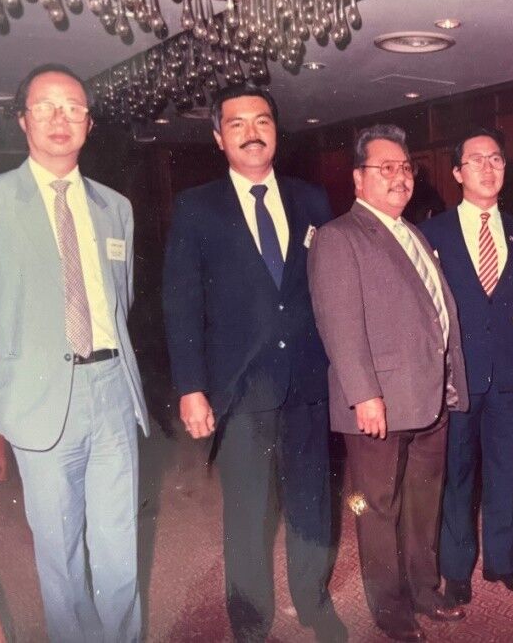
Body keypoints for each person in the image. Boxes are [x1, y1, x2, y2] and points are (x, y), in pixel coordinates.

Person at [0, 63, 149, 642]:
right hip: (42, 396)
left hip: (114, 390)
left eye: (73, 107)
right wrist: (20, 368)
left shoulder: (114, 207)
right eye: (46, 107)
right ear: (23, 120)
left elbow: (118, 302)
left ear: (89, 124)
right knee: (61, 551)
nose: (60, 119)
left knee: (120, 543)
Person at [162, 83, 344, 642]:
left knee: (313, 503)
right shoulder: (197, 207)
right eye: (236, 124)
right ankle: (250, 621)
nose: (251, 132)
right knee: (247, 514)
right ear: (219, 138)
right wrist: (191, 387)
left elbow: (329, 291)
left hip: (309, 383)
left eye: (262, 121)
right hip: (240, 390)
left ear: (276, 132)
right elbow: (181, 301)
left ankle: (313, 603)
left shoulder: (312, 200)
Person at [308, 124, 469, 642]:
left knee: (424, 502)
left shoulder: (412, 230)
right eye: (386, 168)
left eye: (405, 167)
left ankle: (424, 589)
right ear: (358, 179)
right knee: (377, 508)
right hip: (377, 403)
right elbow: (340, 325)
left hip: (429, 399)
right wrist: (363, 395)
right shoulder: (339, 237)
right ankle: (390, 610)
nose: (399, 177)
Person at [420, 127, 513, 605]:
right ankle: (456, 570)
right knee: (458, 472)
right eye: (476, 160)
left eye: (496, 159)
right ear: (456, 172)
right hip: (457, 377)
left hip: (508, 373)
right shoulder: (432, 232)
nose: (488, 169)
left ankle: (503, 563)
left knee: (507, 468)